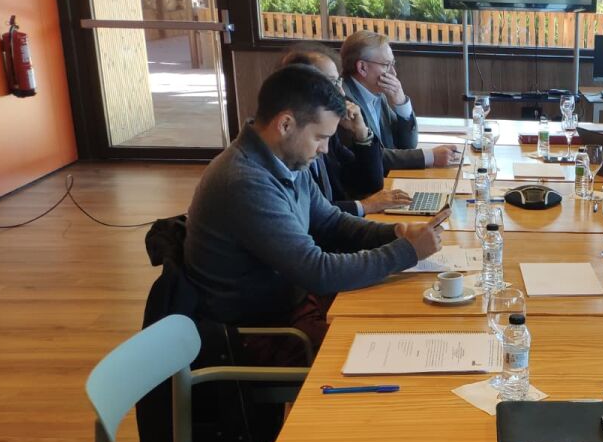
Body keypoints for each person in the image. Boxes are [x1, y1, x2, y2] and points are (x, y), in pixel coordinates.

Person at [185, 64, 448, 357]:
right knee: (398, 342)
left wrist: (395, 233)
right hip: (262, 332)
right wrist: (407, 252)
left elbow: (331, 222)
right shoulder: (244, 182)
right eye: (320, 137)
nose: (324, 149)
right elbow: (317, 271)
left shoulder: (284, 158)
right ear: (285, 124)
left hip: (295, 304)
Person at [278, 43, 412, 216]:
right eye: (332, 83)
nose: (341, 92)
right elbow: (311, 215)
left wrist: (361, 133)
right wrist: (364, 206)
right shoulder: (290, 142)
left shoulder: (329, 131)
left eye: (339, 81)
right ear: (300, 89)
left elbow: (369, 184)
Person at [340, 30, 459, 171]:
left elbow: (407, 144)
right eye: (386, 65)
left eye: (393, 64)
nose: (394, 73)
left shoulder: (378, 94)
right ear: (362, 67)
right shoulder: (344, 100)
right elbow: (371, 156)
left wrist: (401, 102)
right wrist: (430, 156)